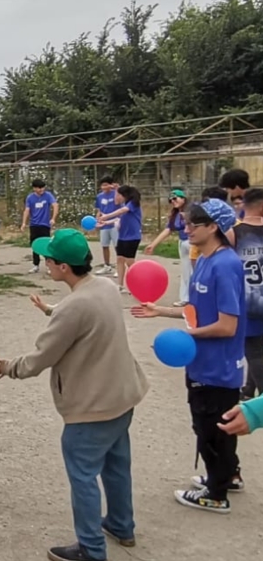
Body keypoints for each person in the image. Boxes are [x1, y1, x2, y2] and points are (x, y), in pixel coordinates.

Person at [0, 229, 148, 561]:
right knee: (117, 464)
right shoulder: (104, 286)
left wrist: (8, 367)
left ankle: (91, 549)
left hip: (91, 407)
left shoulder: (73, 308)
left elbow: (40, 358)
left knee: (83, 476)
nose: (46, 263)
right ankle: (120, 524)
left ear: (62, 267)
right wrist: (51, 310)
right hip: (122, 395)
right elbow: (84, 315)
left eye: (49, 259)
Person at [132, 199, 245, 514]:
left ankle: (216, 493)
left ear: (214, 227)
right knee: (209, 425)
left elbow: (227, 325)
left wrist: (184, 337)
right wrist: (162, 311)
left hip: (218, 367)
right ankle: (226, 476)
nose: (186, 229)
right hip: (201, 362)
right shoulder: (204, 260)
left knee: (213, 428)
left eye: (194, 224)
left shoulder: (226, 265)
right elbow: (196, 313)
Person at [229, 188, 263, 399]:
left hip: (247, 302)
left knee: (255, 352)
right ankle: (249, 389)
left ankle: (259, 396)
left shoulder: (234, 233)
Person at [144, 189, 190, 305]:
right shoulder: (175, 215)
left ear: (183, 198)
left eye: (175, 199)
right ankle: (185, 298)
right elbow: (168, 230)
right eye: (171, 200)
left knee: (196, 271)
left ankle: (197, 298)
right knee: (185, 271)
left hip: (193, 243)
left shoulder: (192, 210)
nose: (173, 202)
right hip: (183, 243)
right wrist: (153, 244)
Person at [96, 185, 142, 294]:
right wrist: (106, 222)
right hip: (122, 236)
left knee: (130, 262)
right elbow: (119, 218)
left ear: (124, 195)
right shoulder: (125, 204)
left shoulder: (133, 204)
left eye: (118, 194)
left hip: (132, 237)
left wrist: (106, 216)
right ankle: (120, 285)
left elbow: (122, 211)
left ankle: (138, 284)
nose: (116, 196)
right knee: (120, 259)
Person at [21, 179, 58, 273]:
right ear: (34, 188)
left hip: (45, 224)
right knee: (34, 245)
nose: (42, 190)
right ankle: (35, 265)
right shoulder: (30, 198)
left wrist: (53, 218)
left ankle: (49, 266)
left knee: (46, 245)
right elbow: (27, 210)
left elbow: (55, 205)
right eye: (39, 188)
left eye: (43, 187)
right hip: (34, 225)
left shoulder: (48, 195)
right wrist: (24, 223)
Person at [93, 176, 119, 275]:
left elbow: (118, 203)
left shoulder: (116, 194)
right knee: (104, 245)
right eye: (102, 185)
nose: (104, 187)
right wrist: (97, 220)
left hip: (114, 223)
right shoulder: (99, 196)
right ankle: (107, 266)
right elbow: (99, 210)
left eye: (106, 185)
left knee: (117, 246)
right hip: (104, 224)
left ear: (111, 185)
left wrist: (116, 189)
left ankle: (119, 267)